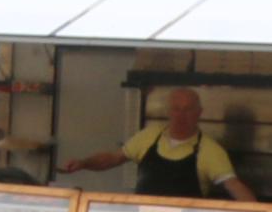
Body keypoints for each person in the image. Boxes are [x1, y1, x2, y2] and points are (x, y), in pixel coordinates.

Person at [61, 85, 252, 199]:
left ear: (199, 113)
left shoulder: (210, 151)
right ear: (169, 112)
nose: (181, 115)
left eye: (187, 109)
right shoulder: (148, 136)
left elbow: (234, 186)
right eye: (176, 109)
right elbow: (113, 158)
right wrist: (84, 163)